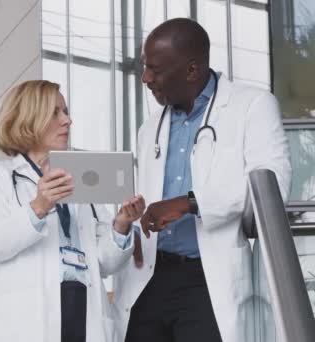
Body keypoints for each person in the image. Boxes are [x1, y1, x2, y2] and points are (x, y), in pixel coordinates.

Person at [110, 18, 292, 342]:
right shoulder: (149, 127)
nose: (145, 78)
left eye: (155, 69)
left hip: (206, 280)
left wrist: (189, 203)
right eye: (143, 67)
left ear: (192, 70)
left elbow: (271, 185)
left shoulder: (251, 106)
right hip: (150, 279)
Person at [0, 80, 145, 342]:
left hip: (83, 312)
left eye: (66, 111)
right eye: (55, 113)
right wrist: (38, 207)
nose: (67, 120)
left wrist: (121, 225)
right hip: (28, 321)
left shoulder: (82, 177)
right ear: (29, 119)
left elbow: (105, 263)